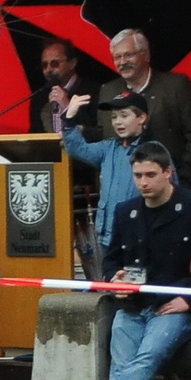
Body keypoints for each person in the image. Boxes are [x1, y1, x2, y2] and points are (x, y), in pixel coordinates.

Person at [75, 142, 191, 380]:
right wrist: (112, 280)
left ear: (168, 173)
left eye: (150, 175)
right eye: (137, 175)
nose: (143, 182)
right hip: (131, 304)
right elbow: (112, 260)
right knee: (123, 365)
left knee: (145, 359)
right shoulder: (125, 211)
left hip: (177, 307)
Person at [97, 29, 191, 186]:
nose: (122, 62)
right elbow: (103, 137)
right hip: (123, 187)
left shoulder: (176, 86)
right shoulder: (108, 91)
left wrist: (183, 179)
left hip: (171, 186)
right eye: (117, 57)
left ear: (146, 55)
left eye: (128, 55)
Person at [62, 90, 150, 257]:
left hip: (140, 237)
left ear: (141, 118)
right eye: (114, 117)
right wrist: (69, 119)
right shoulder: (108, 147)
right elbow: (77, 148)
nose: (118, 122)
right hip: (107, 237)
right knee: (109, 281)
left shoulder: (154, 151)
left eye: (124, 115)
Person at [31, 37, 99, 136]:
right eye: (44, 65)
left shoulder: (93, 91)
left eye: (55, 63)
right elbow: (35, 137)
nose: (48, 69)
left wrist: (67, 106)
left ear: (72, 63)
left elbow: (97, 133)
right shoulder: (39, 98)